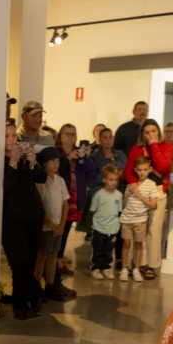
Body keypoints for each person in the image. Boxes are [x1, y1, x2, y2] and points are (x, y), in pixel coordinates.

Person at [3, 118, 47, 319]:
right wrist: (12, 162)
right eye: (6, 136)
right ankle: (34, 293)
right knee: (19, 264)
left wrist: (33, 161)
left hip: (34, 215)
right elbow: (6, 187)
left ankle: (21, 303)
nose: (11, 139)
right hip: (11, 219)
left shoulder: (24, 157)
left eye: (14, 135)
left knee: (28, 262)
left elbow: (42, 178)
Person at [124, 118, 173, 280]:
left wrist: (153, 145)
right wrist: (133, 185)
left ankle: (152, 265)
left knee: (154, 229)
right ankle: (139, 264)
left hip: (157, 191)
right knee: (139, 227)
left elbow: (164, 166)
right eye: (147, 132)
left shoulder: (166, 146)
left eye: (153, 131)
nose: (150, 134)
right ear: (142, 134)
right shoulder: (136, 149)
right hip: (139, 191)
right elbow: (128, 170)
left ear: (158, 132)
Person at [53, 123, 93, 291]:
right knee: (58, 231)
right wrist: (68, 158)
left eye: (73, 134)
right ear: (60, 135)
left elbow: (90, 171)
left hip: (76, 197)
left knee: (67, 229)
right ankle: (55, 262)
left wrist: (86, 157)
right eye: (67, 134)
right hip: (61, 198)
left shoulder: (79, 152)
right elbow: (56, 171)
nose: (71, 137)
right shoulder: (56, 152)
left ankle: (60, 259)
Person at [35, 147, 69, 299]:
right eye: (53, 161)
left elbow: (65, 204)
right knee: (41, 256)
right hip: (45, 227)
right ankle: (36, 286)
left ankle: (50, 285)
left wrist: (61, 225)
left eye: (58, 161)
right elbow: (39, 208)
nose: (56, 164)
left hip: (57, 226)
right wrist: (52, 225)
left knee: (53, 255)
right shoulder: (40, 182)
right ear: (44, 162)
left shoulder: (60, 180)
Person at [120, 156, 160, 281]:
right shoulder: (131, 184)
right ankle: (124, 269)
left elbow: (154, 206)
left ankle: (136, 269)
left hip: (140, 220)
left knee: (138, 244)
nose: (142, 172)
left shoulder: (151, 185)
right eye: (139, 170)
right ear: (135, 170)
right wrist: (129, 193)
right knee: (126, 243)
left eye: (145, 170)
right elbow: (123, 204)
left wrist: (139, 194)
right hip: (126, 219)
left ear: (150, 170)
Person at [89, 166, 123, 279]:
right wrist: (98, 223)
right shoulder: (99, 195)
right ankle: (95, 268)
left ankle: (106, 268)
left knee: (108, 250)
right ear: (104, 179)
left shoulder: (119, 195)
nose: (113, 182)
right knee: (97, 249)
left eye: (116, 180)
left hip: (112, 228)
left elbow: (118, 211)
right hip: (99, 228)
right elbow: (93, 210)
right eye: (110, 179)